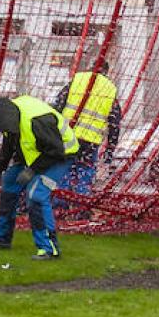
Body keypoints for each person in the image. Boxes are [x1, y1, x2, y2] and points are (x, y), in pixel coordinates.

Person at [0, 93, 79, 259]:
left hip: (60, 156)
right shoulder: (10, 117)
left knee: (36, 194)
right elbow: (9, 143)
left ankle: (49, 248)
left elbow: (56, 151)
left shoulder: (38, 121)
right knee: (10, 182)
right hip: (37, 154)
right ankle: (2, 237)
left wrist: (31, 171)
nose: (2, 131)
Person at [52, 66, 122, 215]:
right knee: (84, 172)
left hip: (68, 135)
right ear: (106, 72)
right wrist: (110, 149)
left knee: (64, 170)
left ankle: (59, 208)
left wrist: (53, 131)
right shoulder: (109, 89)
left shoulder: (77, 80)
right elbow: (114, 122)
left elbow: (58, 105)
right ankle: (81, 209)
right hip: (90, 140)